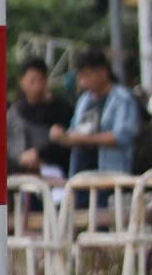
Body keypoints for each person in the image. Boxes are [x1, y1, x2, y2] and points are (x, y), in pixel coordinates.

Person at [50, 49, 142, 179]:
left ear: (103, 72)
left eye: (86, 74)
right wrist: (61, 136)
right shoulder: (84, 100)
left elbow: (122, 136)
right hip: (81, 176)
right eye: (79, 75)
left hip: (112, 175)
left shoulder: (122, 98)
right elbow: (74, 134)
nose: (81, 80)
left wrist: (84, 139)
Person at [11, 58, 72, 173]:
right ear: (22, 81)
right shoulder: (15, 112)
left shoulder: (62, 109)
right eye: (32, 81)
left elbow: (66, 144)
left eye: (40, 80)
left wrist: (40, 155)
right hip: (21, 170)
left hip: (54, 171)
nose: (37, 86)